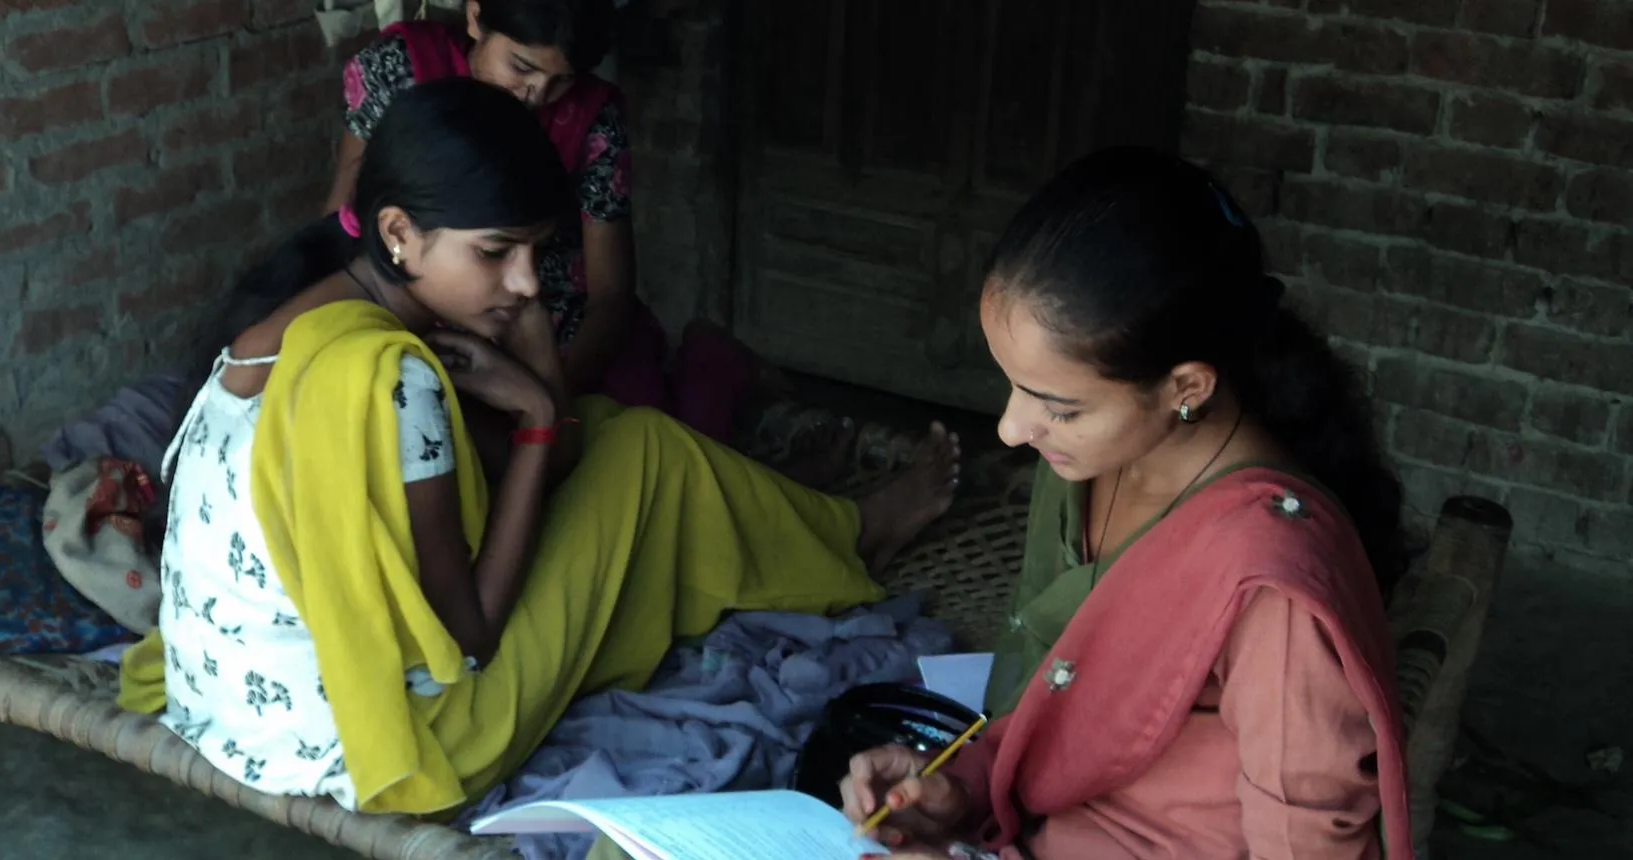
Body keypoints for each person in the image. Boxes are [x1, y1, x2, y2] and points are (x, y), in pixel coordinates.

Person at [118, 78, 961, 817]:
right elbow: (475, 634)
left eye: (536, 252)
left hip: (224, 713)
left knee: (607, 434)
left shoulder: (277, 331)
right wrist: (528, 409)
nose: (526, 282)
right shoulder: (388, 379)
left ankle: (812, 518)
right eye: (496, 254)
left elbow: (544, 458)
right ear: (400, 232)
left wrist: (531, 382)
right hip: (385, 748)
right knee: (642, 453)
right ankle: (846, 533)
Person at [823, 148, 1417, 860]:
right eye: (1012, 387)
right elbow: (1069, 711)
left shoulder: (1268, 589)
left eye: (1058, 407)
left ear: (1186, 388)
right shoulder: (1087, 467)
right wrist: (964, 784)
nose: (1012, 429)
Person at [327, 0, 784, 452]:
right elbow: (343, 219)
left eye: (562, 79)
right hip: (427, 309)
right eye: (521, 66)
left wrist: (545, 396)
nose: (536, 94)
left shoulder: (593, 120)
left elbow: (610, 295)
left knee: (639, 444)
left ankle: (711, 366)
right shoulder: (400, 69)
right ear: (475, 16)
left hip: (555, 324)